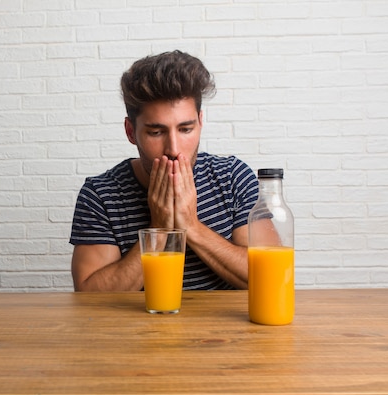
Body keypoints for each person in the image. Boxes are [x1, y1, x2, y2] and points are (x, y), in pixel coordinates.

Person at [69, 50, 260, 291]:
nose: (174, 148)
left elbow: (268, 279)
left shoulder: (233, 177)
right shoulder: (100, 194)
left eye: (185, 129)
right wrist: (158, 230)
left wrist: (190, 226)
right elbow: (90, 296)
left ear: (200, 123)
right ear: (130, 131)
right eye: (156, 132)